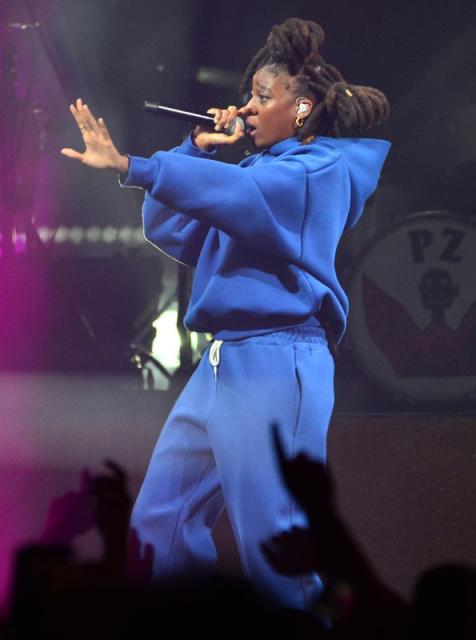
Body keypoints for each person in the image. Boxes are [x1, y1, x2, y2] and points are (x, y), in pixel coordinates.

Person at [60, 17, 390, 609]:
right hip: (223, 364)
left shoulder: (320, 171)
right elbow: (173, 228)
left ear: (304, 107)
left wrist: (137, 166)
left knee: (277, 549)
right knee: (157, 527)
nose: (247, 107)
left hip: (278, 359)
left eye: (265, 97)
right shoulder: (255, 173)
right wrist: (192, 151)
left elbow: (240, 200)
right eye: (250, 95)